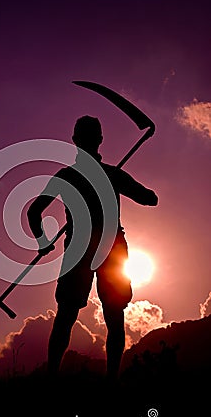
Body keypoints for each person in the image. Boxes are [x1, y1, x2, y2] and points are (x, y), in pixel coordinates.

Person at [27, 115, 158, 382]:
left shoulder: (68, 177)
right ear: (100, 140)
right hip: (111, 248)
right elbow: (150, 199)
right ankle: (111, 380)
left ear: (75, 141)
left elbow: (34, 211)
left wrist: (43, 241)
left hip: (85, 247)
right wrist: (121, 183)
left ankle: (54, 377)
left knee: (69, 314)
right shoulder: (110, 174)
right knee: (110, 314)